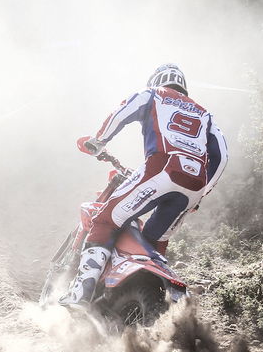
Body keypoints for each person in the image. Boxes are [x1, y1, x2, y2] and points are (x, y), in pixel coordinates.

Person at [60, 62, 228, 308]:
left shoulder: (153, 94)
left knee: (105, 220)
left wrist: (99, 141)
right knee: (151, 241)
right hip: (193, 185)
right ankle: (144, 299)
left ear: (156, 80)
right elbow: (222, 157)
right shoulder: (205, 115)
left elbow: (123, 111)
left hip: (161, 168)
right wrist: (202, 193)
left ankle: (80, 294)